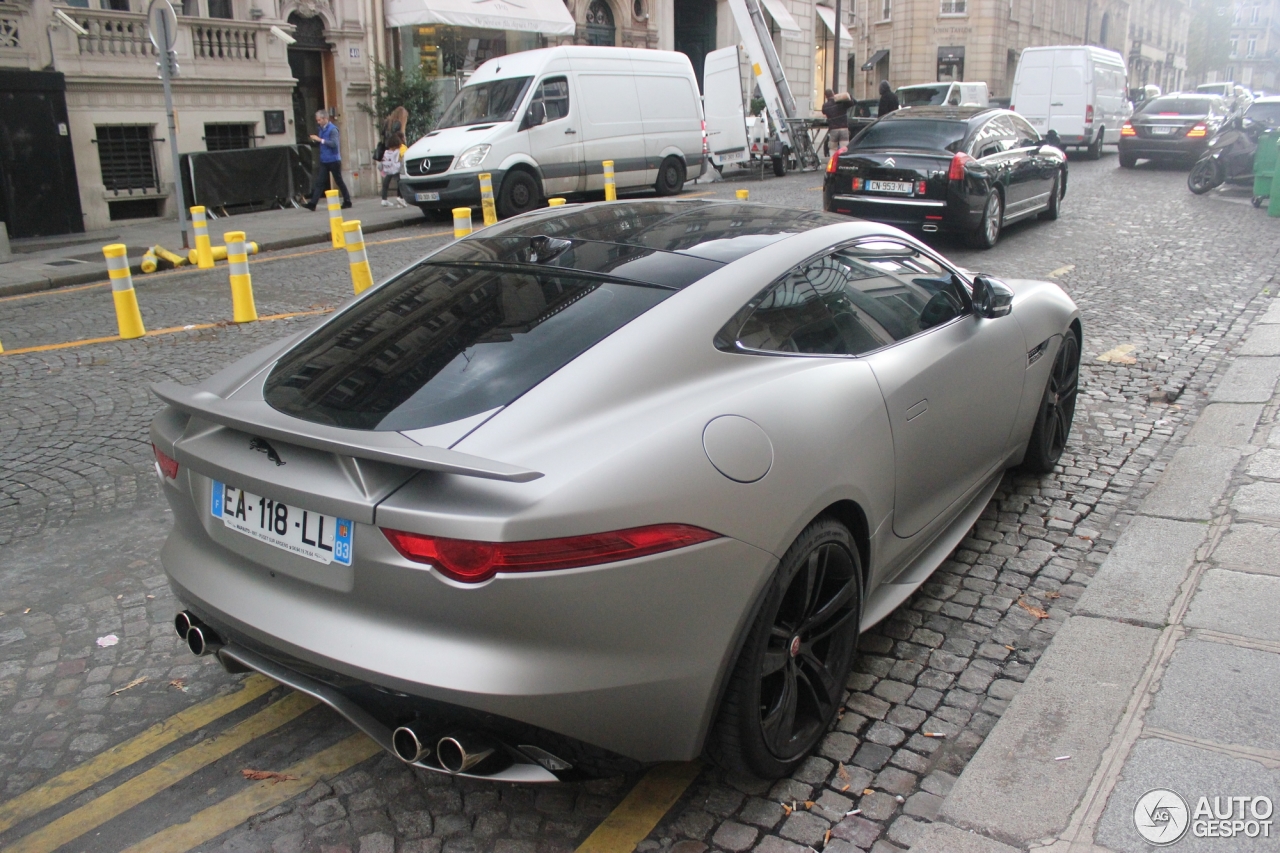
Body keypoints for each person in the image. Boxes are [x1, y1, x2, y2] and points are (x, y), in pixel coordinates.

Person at [304, 110, 352, 211]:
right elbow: (322, 143)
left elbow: (334, 144)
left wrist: (320, 140)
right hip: (324, 160)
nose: (318, 122)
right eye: (317, 120)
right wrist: (314, 141)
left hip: (334, 160)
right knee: (320, 182)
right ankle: (313, 204)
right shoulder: (321, 129)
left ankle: (347, 201)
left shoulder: (333, 129)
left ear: (325, 119)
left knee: (338, 181)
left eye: (319, 120)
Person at [380, 131, 407, 207]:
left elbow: (383, 162)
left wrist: (382, 169)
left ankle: (384, 199)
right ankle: (400, 198)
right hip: (396, 169)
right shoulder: (400, 149)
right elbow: (403, 156)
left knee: (386, 183)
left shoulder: (387, 152)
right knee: (400, 183)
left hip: (388, 170)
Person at [822, 88, 853, 154]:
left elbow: (824, 112)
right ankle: (843, 162)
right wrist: (848, 96)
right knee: (844, 148)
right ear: (833, 94)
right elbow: (853, 103)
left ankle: (833, 162)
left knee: (833, 148)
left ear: (826, 96)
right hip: (844, 128)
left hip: (833, 129)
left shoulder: (825, 106)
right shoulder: (841, 103)